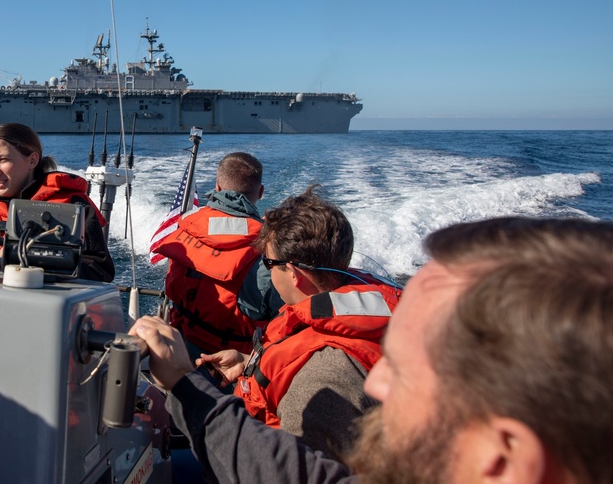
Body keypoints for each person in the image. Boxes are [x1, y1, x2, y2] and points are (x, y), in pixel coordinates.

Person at [130, 216, 613, 484]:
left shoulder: (325, 376)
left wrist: (183, 387)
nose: (376, 382)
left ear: (505, 458)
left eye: (402, 369)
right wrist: (246, 367)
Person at [199, 185, 400, 457]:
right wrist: (249, 363)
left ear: (293, 273)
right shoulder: (360, 312)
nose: (267, 272)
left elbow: (290, 471)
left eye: (267, 263)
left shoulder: (318, 387)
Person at [0, 123, 115, 282]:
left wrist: (27, 259)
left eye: (2, 160)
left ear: (32, 160)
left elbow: (100, 270)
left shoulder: (74, 207)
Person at [152, 152, 268, 356]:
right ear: (260, 193)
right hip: (232, 358)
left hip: (178, 344)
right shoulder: (268, 243)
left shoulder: (188, 222)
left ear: (217, 187)